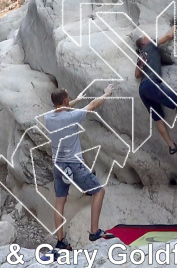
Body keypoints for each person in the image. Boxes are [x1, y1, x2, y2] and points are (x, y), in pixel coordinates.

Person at [44, 84, 116, 250]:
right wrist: (106, 93)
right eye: (68, 97)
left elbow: (62, 109)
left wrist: (77, 99)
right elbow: (93, 105)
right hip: (74, 164)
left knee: (60, 201)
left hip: (58, 165)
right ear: (65, 100)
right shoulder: (72, 116)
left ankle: (61, 241)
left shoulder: (48, 117)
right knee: (99, 191)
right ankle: (94, 231)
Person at [135, 24, 177, 155]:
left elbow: (136, 74)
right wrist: (174, 26)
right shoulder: (151, 45)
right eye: (145, 36)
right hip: (151, 83)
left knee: (158, 118)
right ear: (144, 42)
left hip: (142, 89)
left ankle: (172, 146)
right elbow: (168, 36)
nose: (148, 36)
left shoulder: (141, 56)